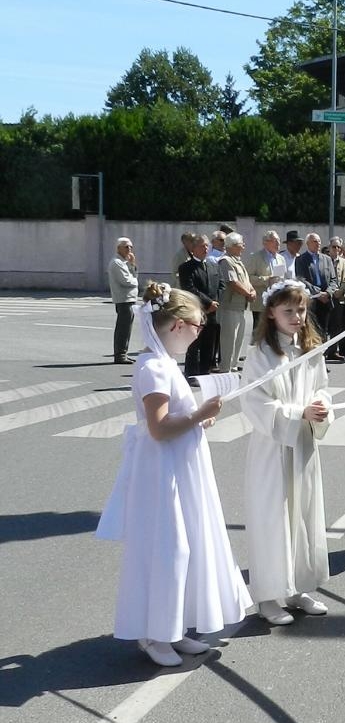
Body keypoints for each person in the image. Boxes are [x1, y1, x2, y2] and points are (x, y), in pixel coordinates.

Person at [96, 282, 250, 667]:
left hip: (178, 466)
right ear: (178, 325)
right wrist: (199, 415)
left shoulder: (165, 364)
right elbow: (159, 428)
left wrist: (198, 419)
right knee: (169, 548)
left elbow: (173, 421)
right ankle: (152, 633)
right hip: (161, 470)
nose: (199, 333)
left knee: (185, 546)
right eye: (197, 326)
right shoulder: (153, 367)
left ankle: (172, 627)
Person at [240, 281, 332, 625]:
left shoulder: (311, 350)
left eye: (301, 309)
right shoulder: (260, 354)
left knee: (303, 515)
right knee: (272, 518)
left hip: (303, 445)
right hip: (272, 449)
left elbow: (322, 388)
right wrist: (297, 413)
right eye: (288, 311)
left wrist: (321, 406)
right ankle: (267, 597)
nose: (296, 317)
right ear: (271, 314)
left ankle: (298, 588)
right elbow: (255, 402)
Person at [177, 233, 221, 378]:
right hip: (195, 310)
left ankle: (205, 372)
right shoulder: (186, 267)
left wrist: (215, 302)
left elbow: (221, 285)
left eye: (207, 246)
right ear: (193, 249)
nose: (205, 249)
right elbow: (189, 288)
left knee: (209, 344)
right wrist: (208, 303)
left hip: (212, 312)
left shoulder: (214, 266)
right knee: (194, 344)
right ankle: (192, 374)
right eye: (202, 246)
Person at [218, 232, 256, 373]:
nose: (244, 246)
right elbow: (232, 282)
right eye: (241, 244)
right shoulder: (226, 261)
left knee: (238, 339)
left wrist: (252, 291)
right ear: (233, 246)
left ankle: (233, 366)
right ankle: (225, 368)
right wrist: (248, 293)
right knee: (229, 339)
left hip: (241, 306)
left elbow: (246, 281)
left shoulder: (237, 261)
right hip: (230, 306)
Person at [294, 232, 338, 343]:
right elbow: (301, 279)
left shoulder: (327, 259)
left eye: (319, 241)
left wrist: (327, 293)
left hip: (326, 300)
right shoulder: (301, 259)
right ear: (308, 243)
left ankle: (322, 351)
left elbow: (333, 279)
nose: (318, 243)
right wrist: (318, 293)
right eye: (315, 241)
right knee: (311, 330)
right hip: (311, 300)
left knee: (323, 331)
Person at [245, 231, 289, 339]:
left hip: (277, 301)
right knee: (260, 332)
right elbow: (248, 278)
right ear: (266, 242)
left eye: (278, 241)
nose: (278, 243)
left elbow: (284, 276)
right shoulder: (256, 257)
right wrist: (267, 280)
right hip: (261, 302)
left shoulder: (281, 258)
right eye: (275, 241)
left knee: (275, 332)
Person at [108, 237, 139, 364]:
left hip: (129, 299)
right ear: (118, 248)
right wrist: (135, 281)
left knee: (126, 328)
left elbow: (134, 275)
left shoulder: (124, 262)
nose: (129, 249)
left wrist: (132, 264)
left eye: (131, 247)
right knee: (123, 328)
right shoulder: (117, 263)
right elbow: (126, 281)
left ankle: (123, 353)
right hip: (124, 299)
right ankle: (120, 355)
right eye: (126, 247)